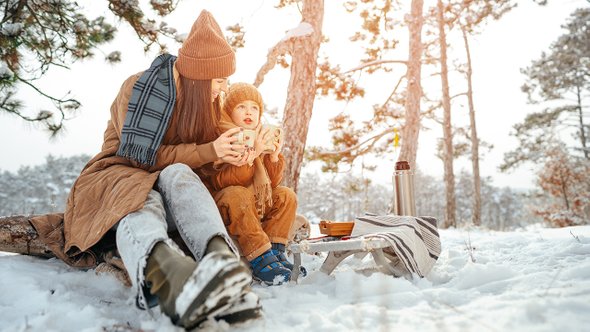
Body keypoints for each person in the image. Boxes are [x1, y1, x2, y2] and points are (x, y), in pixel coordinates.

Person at [30, 10, 260, 330]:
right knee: (140, 197)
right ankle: (171, 280)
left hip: (164, 179)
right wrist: (209, 151)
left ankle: (221, 265)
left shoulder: (207, 105)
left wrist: (237, 150)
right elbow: (140, 158)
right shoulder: (141, 87)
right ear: (199, 77)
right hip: (117, 174)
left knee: (180, 174)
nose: (222, 89)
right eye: (219, 81)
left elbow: (208, 149)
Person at [208, 82, 299, 285]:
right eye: (241, 107)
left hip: (253, 204)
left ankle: (275, 253)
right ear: (229, 111)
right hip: (226, 204)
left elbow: (272, 184)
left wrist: (273, 156)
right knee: (238, 193)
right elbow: (226, 181)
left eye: (254, 107)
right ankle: (260, 258)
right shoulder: (223, 135)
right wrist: (251, 155)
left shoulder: (261, 136)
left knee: (286, 195)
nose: (249, 112)